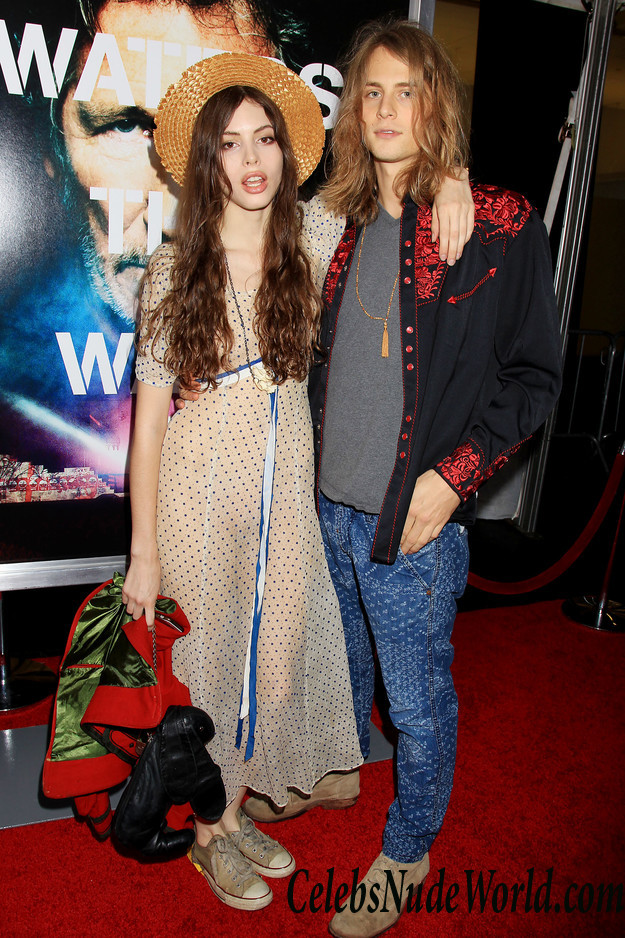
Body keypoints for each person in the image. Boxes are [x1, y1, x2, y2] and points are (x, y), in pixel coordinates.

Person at [241, 19, 563, 938]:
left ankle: (409, 846)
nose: (386, 109)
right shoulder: (335, 222)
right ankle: (341, 772)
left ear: (436, 107)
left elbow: (535, 378)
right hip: (328, 512)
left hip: (412, 522)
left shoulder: (496, 222)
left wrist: (453, 481)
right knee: (341, 672)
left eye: (406, 92)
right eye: (370, 92)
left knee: (418, 704)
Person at [119, 52, 364, 911]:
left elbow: (394, 179)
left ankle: (237, 804)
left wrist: (453, 186)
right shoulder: (172, 268)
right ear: (207, 160)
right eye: (230, 143)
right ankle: (205, 832)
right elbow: (148, 425)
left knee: (275, 653)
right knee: (209, 661)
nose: (252, 158)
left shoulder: (317, 238)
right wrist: (142, 553)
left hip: (284, 493)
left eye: (265, 139)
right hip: (196, 491)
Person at [0, 0, 304, 480]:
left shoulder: (316, 253)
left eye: (225, 139)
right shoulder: (16, 402)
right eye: (126, 125)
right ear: (50, 147)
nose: (176, 217)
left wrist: (452, 182)